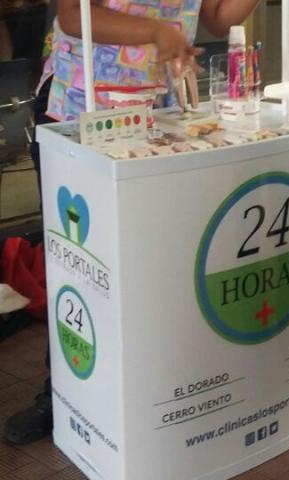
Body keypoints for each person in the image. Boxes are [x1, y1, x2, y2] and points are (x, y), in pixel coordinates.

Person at [3, 0, 262, 445]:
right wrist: (158, 32)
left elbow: (218, 18)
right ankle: (62, 391)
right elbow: (73, 16)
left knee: (151, 263)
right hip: (81, 111)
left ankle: (148, 390)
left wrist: (168, 34)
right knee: (80, 264)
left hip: (157, 117)